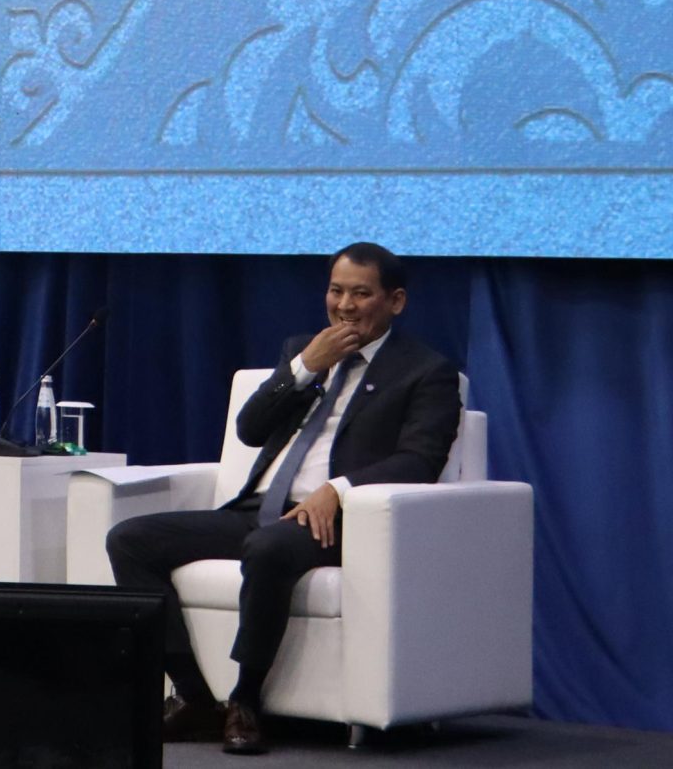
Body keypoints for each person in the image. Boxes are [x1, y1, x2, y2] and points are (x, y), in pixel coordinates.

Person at [105, 242, 462, 755]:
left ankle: (245, 698)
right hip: (260, 510)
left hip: (335, 523)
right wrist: (303, 369)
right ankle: (194, 697)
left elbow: (420, 461)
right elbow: (250, 430)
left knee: (269, 547)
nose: (345, 306)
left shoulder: (425, 371)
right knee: (131, 539)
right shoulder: (304, 349)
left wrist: (338, 491)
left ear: (396, 301)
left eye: (361, 294)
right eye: (336, 291)